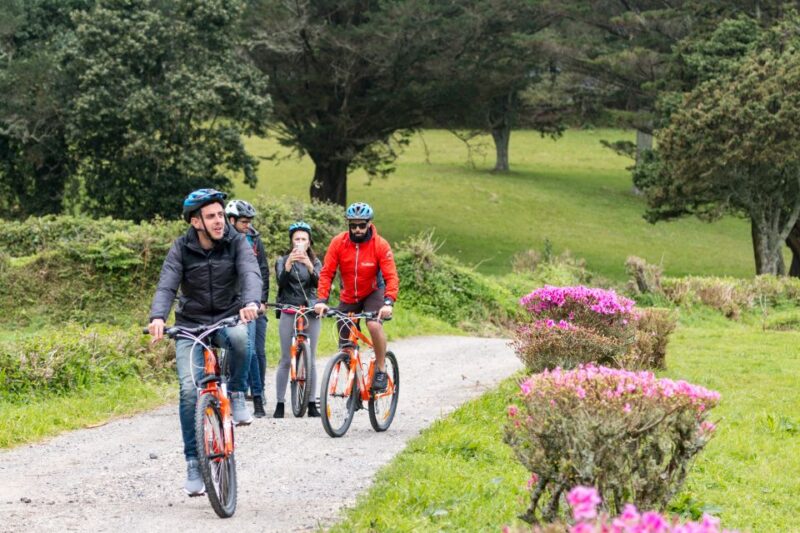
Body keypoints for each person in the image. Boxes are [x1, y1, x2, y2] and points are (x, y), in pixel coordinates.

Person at [148, 188, 262, 496]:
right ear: (195, 221)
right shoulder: (180, 249)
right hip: (190, 324)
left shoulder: (236, 241)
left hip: (227, 316)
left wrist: (251, 301)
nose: (219, 221)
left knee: (240, 338)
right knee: (188, 389)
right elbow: (167, 284)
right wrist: (158, 317)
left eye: (221, 215)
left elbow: (250, 272)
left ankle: (237, 393)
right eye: (211, 216)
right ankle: (194, 464)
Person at [313, 202, 399, 392]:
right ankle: (354, 379)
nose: (357, 229)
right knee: (345, 341)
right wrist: (321, 300)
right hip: (349, 295)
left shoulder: (380, 244)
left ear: (369, 223)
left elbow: (391, 276)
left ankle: (381, 368)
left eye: (361, 225)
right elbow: (327, 273)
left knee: (374, 324)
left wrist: (389, 302)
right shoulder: (338, 242)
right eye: (353, 225)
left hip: (372, 292)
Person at [225, 199, 269, 419]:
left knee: (250, 349)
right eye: (243, 221)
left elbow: (262, 271)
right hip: (225, 303)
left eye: (249, 221)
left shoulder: (253, 240)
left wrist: (261, 300)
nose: (247, 225)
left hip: (248, 302)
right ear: (231, 220)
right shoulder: (220, 240)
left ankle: (257, 399)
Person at [274, 221, 322, 418]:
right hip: (289, 308)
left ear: (309, 242)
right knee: (286, 358)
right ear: (292, 242)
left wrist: (310, 266)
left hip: (311, 309)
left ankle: (311, 403)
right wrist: (288, 265)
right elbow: (280, 282)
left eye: (303, 239)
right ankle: (280, 403)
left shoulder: (316, 262)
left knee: (311, 358)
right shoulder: (283, 260)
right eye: (297, 239)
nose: (300, 242)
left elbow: (320, 283)